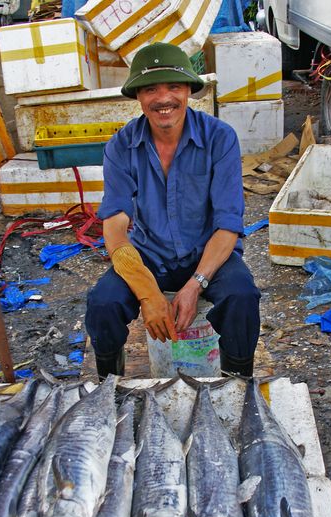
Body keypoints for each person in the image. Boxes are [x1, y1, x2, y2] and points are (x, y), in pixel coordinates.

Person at [85, 42, 261, 378]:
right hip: (149, 255)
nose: (164, 99)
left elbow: (228, 225)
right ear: (138, 96)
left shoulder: (219, 138)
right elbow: (115, 227)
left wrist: (195, 284)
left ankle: (238, 387)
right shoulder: (121, 146)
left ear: (188, 92)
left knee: (242, 296)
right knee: (102, 303)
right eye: (151, 89)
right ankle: (109, 388)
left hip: (208, 254)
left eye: (174, 87)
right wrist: (148, 293)